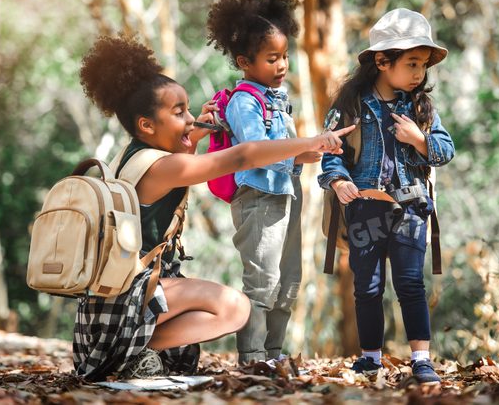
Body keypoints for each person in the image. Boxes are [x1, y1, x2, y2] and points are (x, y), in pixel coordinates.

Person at [72, 35, 353, 381]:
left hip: (102, 312)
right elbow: (243, 155)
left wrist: (196, 132)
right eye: (179, 112)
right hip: (122, 311)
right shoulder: (163, 167)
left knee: (229, 302)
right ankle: (134, 351)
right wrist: (311, 141)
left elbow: (181, 162)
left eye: (189, 109)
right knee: (236, 307)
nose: (191, 118)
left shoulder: (129, 157)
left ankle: (133, 349)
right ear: (146, 125)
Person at [318, 8, 455, 384]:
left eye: (423, 65)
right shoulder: (349, 107)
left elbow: (446, 150)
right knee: (368, 286)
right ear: (382, 61)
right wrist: (338, 182)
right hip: (364, 207)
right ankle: (370, 358)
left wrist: (420, 139)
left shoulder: (422, 108)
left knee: (410, 282)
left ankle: (421, 359)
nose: (418, 74)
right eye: (411, 63)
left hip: (412, 207)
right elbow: (330, 158)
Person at [206, 0, 318, 365]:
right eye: (272, 58)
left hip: (286, 194)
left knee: (288, 282)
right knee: (262, 281)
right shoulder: (244, 101)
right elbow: (256, 151)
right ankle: (252, 356)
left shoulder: (280, 101)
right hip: (257, 198)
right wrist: (304, 143)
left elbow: (287, 152)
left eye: (285, 56)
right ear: (244, 62)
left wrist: (319, 148)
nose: (282, 65)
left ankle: (274, 352)